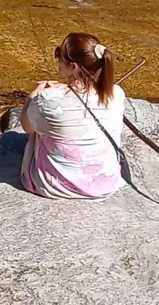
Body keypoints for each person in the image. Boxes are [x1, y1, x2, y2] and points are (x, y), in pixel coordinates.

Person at [20, 32, 125, 200]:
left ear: (73, 67)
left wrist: (33, 97)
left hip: (57, 186)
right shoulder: (116, 93)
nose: (58, 60)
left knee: (38, 128)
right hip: (105, 184)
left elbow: (26, 127)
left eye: (59, 55)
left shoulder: (48, 100)